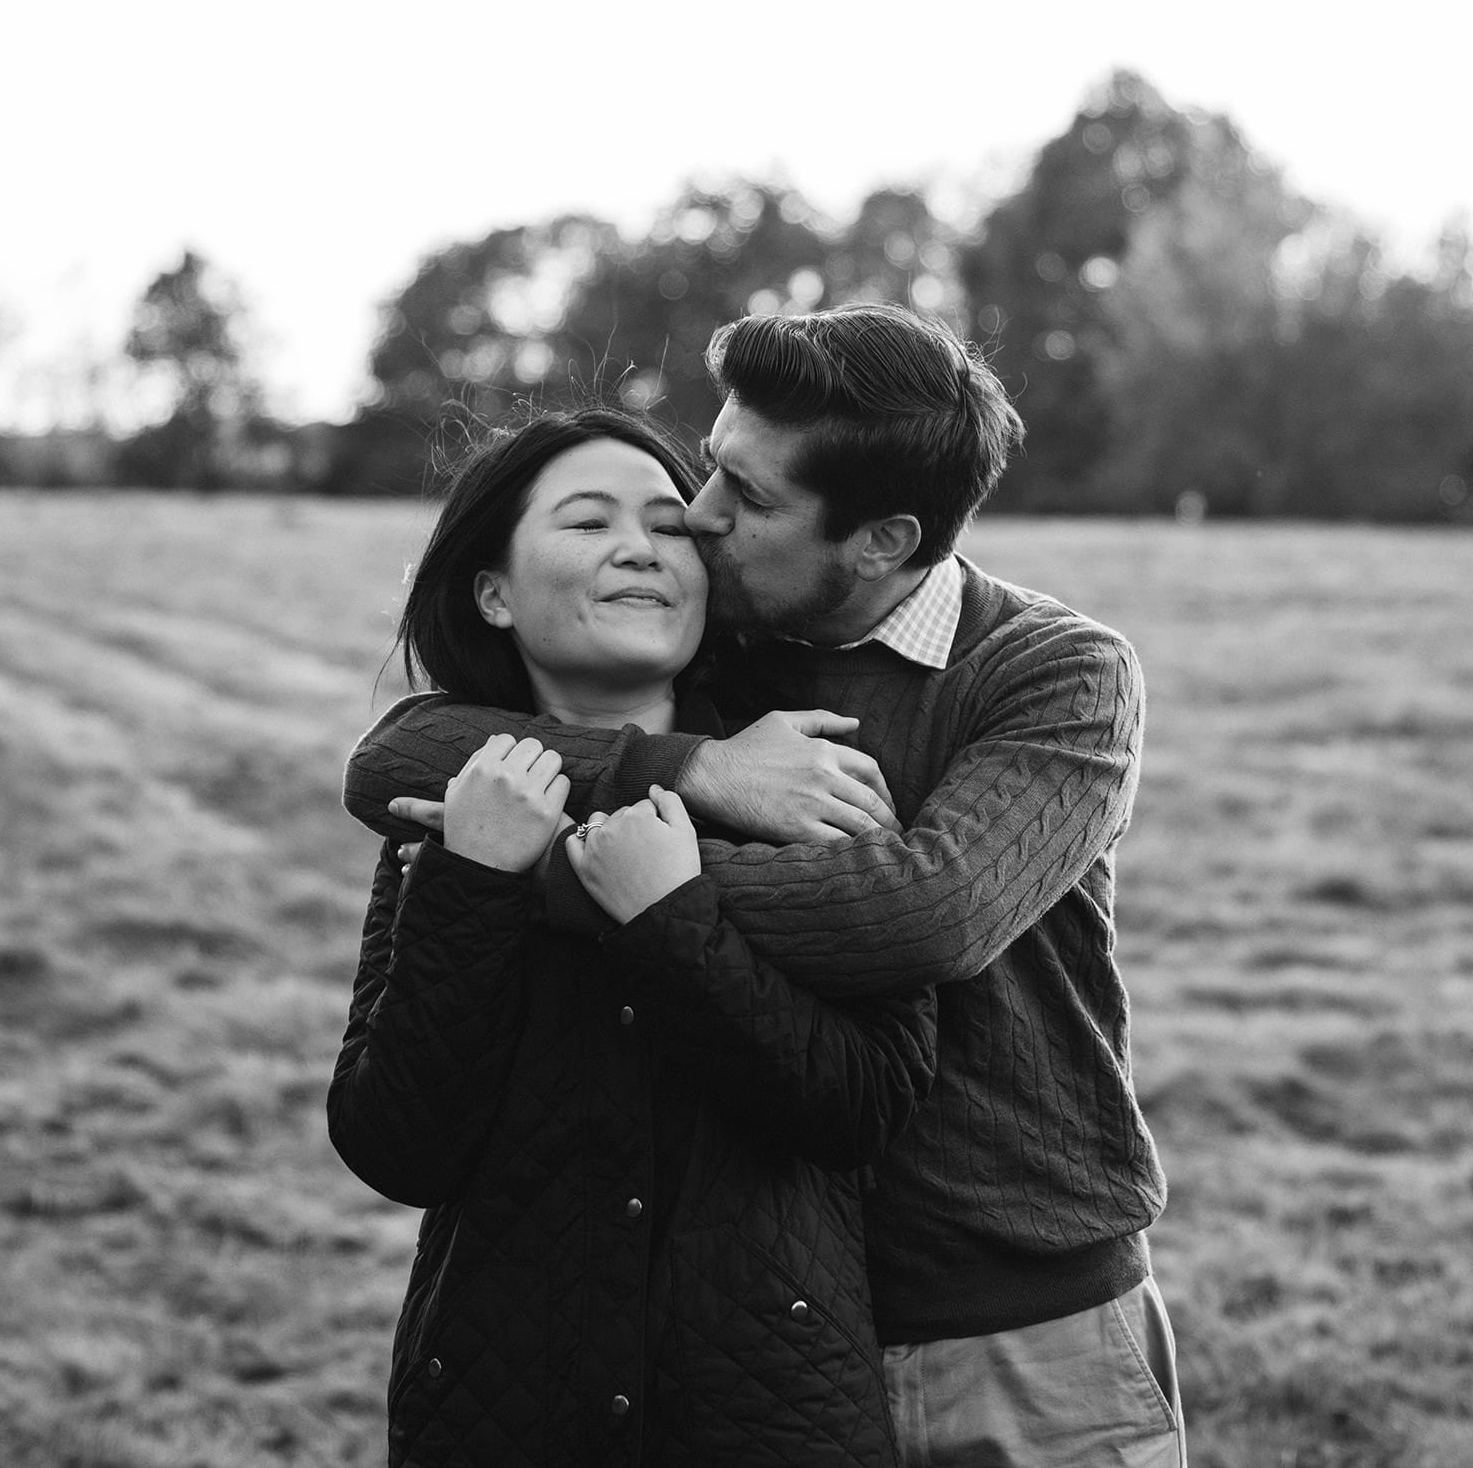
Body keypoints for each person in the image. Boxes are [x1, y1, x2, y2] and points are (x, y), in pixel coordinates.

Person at [345, 304, 1184, 1466]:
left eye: (747, 495)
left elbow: (920, 913)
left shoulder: (1052, 671)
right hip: (773, 1326)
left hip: (1011, 1315)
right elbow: (395, 758)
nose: (697, 515)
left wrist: (576, 877)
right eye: (713, 465)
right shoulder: (732, 649)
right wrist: (693, 768)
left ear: (880, 541)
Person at [328, 406, 938, 1465]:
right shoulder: (454, 812)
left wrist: (669, 921)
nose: (640, 548)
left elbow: (865, 1105)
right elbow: (398, 1146)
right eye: (587, 522)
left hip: (768, 1416)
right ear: (493, 592)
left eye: (668, 525)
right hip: (501, 1413)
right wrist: (473, 884)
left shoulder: (808, 780)